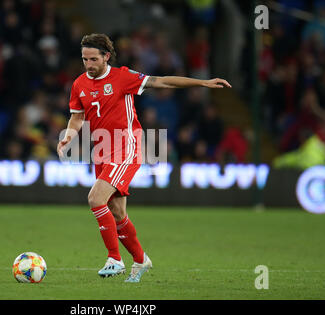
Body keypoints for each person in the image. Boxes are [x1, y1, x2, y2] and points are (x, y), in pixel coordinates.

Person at [57, 33, 231, 283]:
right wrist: (69, 136)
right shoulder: (79, 84)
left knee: (95, 199)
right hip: (102, 151)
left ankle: (114, 259)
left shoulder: (122, 77)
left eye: (93, 59)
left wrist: (202, 83)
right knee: (116, 213)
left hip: (126, 147)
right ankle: (140, 260)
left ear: (106, 57)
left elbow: (163, 82)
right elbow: (77, 115)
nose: (89, 64)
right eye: (85, 59)